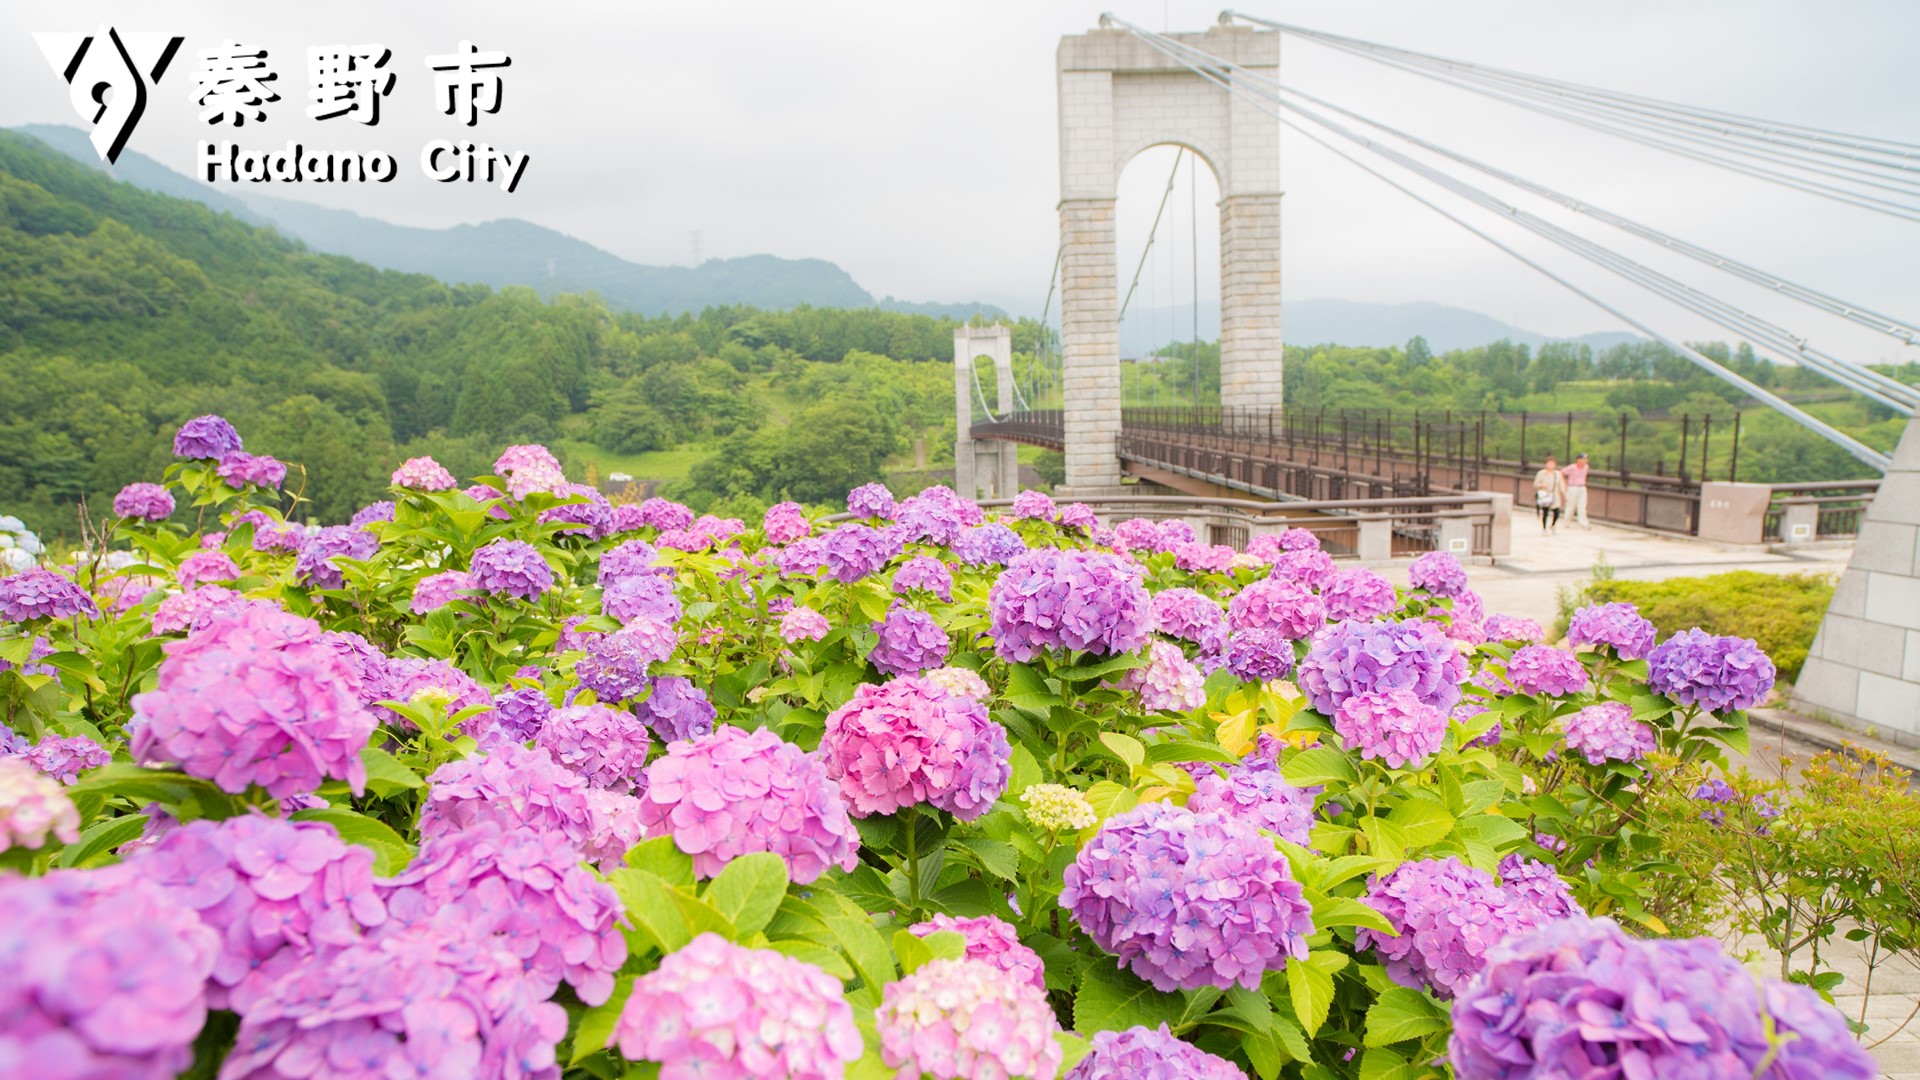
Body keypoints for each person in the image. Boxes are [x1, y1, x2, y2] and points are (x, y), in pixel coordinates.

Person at [1533, 455, 1567, 533]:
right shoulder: (1541, 473)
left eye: (1552, 463)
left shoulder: (1557, 474)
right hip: (1545, 495)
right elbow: (1535, 484)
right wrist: (1541, 485)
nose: (1551, 465)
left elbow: (1561, 484)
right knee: (1545, 512)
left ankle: (1553, 525)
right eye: (1549, 463)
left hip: (1555, 495)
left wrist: (1564, 493)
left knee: (1557, 512)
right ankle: (1544, 528)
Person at [1562, 452, 1591, 529]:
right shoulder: (1572, 467)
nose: (1585, 461)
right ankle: (1567, 521)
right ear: (1578, 460)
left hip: (1582, 487)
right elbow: (1562, 472)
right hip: (1572, 487)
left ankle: (1584, 523)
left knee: (1582, 506)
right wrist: (1565, 483)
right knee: (1570, 505)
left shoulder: (1586, 467)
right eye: (1583, 459)